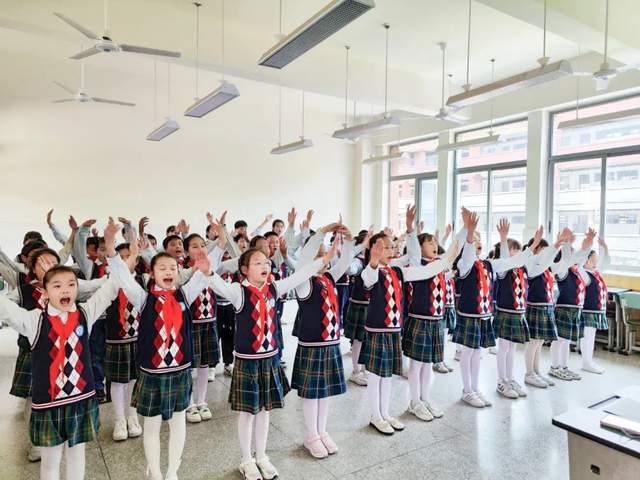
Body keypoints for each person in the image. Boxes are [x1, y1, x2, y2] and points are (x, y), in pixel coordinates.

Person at [207, 242, 337, 480]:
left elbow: (300, 274)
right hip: (248, 361)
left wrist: (324, 259)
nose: (264, 265)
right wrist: (207, 271)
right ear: (244, 269)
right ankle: (246, 459)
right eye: (257, 263)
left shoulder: (274, 288)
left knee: (265, 410)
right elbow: (218, 285)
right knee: (248, 413)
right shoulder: (238, 291)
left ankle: (262, 456)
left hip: (269, 360)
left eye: (266, 262)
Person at [0, 238, 120, 480]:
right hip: (49, 403)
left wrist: (112, 249)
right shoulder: (34, 320)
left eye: (70, 285)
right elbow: (5, 307)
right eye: (56, 285)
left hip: (81, 398)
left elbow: (111, 288)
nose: (65, 290)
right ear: (44, 291)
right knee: (50, 462)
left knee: (77, 456)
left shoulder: (85, 313)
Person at [106, 219, 216, 480]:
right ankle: (155, 472)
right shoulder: (143, 298)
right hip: (152, 374)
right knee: (152, 426)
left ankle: (172, 471)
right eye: (162, 268)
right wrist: (110, 245)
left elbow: (204, 273)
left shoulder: (184, 294)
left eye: (173, 268)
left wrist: (207, 264)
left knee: (178, 424)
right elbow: (122, 276)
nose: (169, 272)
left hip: (179, 371)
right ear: (152, 273)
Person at [290, 225, 355, 458]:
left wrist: (348, 240)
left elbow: (345, 262)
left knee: (324, 391)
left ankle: (322, 431)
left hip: (330, 344)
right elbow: (303, 261)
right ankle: (311, 436)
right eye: (319, 255)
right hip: (312, 345)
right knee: (311, 393)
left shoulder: (328, 278)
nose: (324, 258)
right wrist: (321, 232)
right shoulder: (303, 282)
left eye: (325, 253)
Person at [579, 239, 610, 374]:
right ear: (585, 261)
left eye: (596, 261)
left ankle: (589, 361)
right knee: (587, 336)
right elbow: (579, 266)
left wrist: (605, 248)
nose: (595, 263)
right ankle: (586, 362)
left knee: (591, 336)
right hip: (588, 310)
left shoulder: (596, 273)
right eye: (592, 261)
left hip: (596, 310)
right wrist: (586, 248)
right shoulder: (584, 274)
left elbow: (606, 262)